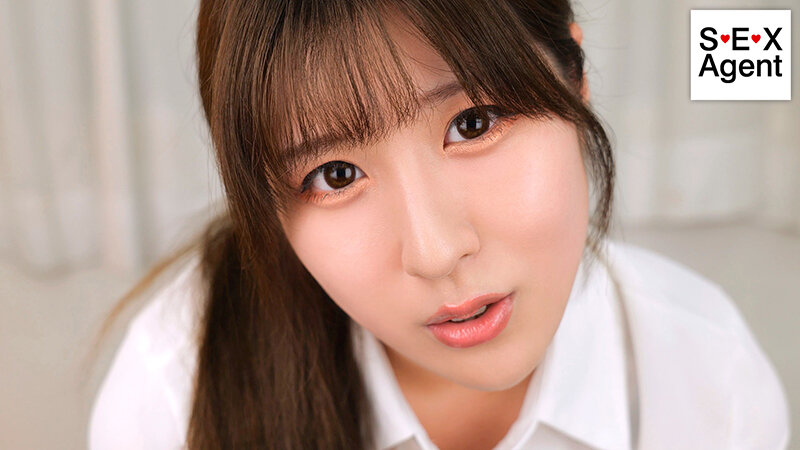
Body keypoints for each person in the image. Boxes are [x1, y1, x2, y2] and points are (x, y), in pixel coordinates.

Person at [87, 0, 791, 449]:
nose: (435, 251)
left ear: (574, 79)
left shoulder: (706, 375)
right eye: (336, 175)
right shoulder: (176, 393)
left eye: (473, 123)